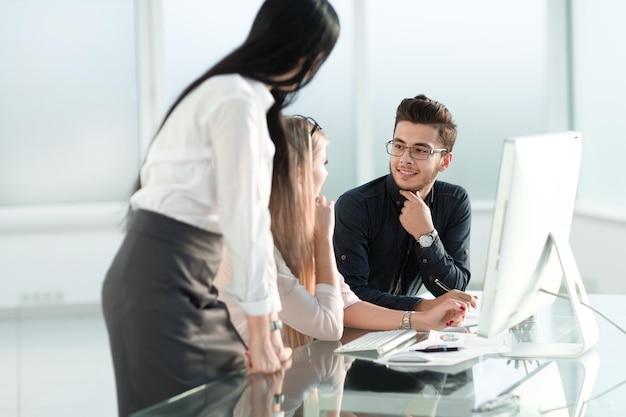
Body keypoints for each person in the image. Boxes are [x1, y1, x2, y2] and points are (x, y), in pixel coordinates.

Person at [100, 1, 340, 416]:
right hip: (164, 283)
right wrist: (264, 336)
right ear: (305, 53)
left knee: (232, 394)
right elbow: (246, 223)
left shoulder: (232, 92)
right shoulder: (238, 100)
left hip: (172, 277)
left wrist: (270, 329)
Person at [215, 115, 468, 349]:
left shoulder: (295, 233)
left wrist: (422, 320)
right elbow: (330, 325)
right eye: (323, 162)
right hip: (238, 388)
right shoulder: (255, 245)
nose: (326, 172)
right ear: (301, 172)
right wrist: (324, 239)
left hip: (286, 381)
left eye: (420, 150)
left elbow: (347, 304)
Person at [333, 94, 477, 313]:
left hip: (408, 333)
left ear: (445, 161)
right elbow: (352, 296)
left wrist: (427, 237)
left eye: (420, 150)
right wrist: (424, 306)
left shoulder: (455, 202)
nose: (405, 159)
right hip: (355, 334)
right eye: (399, 146)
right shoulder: (355, 205)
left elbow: (454, 289)